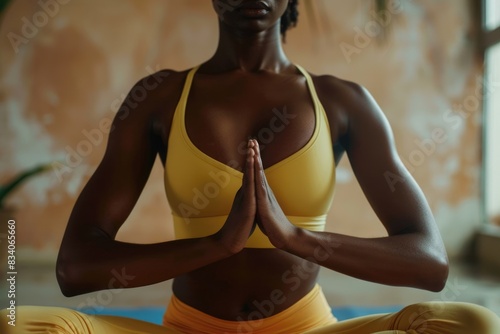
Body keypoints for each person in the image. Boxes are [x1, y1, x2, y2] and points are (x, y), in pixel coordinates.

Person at [2, 0, 499, 333]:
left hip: (305, 328)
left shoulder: (341, 100)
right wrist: (216, 244)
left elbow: (429, 263)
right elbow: (75, 266)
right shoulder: (160, 97)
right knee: (17, 324)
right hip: (188, 327)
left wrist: (296, 239)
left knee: (470, 323)